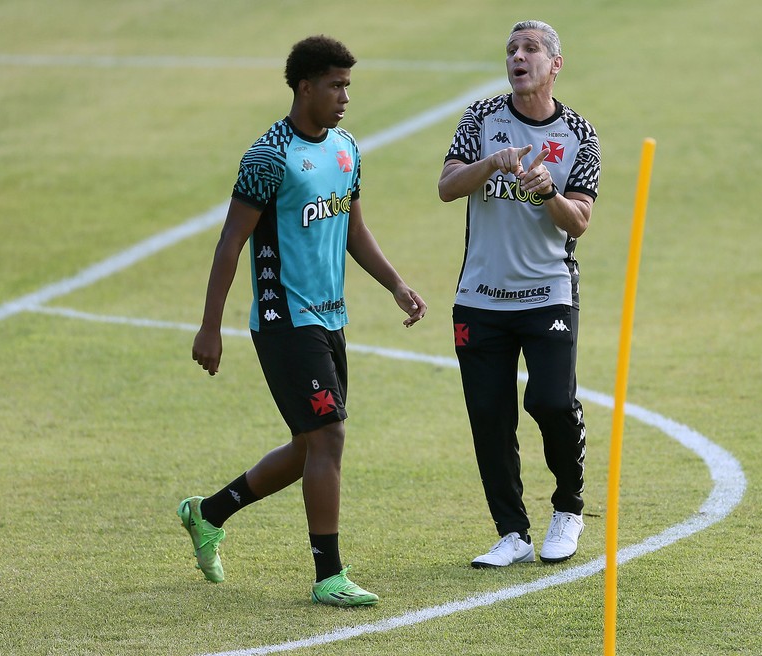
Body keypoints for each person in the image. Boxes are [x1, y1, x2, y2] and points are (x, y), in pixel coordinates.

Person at [179, 35, 427, 607]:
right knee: (329, 437)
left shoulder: (345, 148)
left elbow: (354, 231)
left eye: (348, 86)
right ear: (304, 86)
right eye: (335, 86)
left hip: (330, 318)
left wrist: (395, 284)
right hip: (283, 318)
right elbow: (229, 245)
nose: (344, 97)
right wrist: (210, 326)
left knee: (310, 445)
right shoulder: (268, 158)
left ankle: (208, 513)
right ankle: (328, 575)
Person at [437, 20, 600, 568]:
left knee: (551, 401)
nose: (518, 57)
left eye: (531, 49)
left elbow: (577, 221)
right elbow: (446, 187)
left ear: (555, 64)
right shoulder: (482, 119)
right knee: (489, 416)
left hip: (548, 292)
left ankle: (569, 508)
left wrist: (547, 192)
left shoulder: (579, 133)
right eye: (511, 49)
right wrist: (492, 164)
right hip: (480, 297)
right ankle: (512, 532)